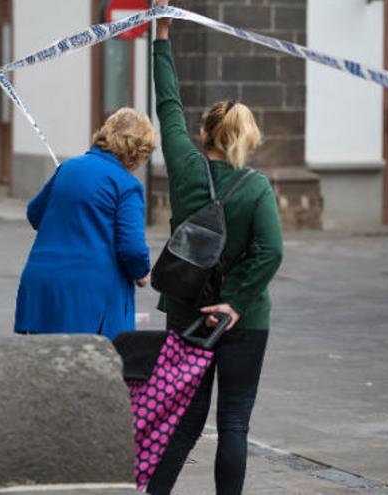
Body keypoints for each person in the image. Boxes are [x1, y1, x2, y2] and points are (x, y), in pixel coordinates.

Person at [146, 2, 284, 494]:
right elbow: (270, 252)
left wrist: (161, 33)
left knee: (182, 421)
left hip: (186, 309)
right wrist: (237, 301)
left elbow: (167, 101)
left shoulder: (184, 166)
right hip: (243, 320)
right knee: (235, 423)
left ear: (204, 134)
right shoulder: (256, 187)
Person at [14, 108, 154, 340]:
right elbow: (132, 247)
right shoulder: (127, 185)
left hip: (44, 286)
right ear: (138, 151)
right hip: (89, 294)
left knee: (45, 367)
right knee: (89, 371)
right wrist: (141, 272)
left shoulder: (68, 168)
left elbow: (34, 213)